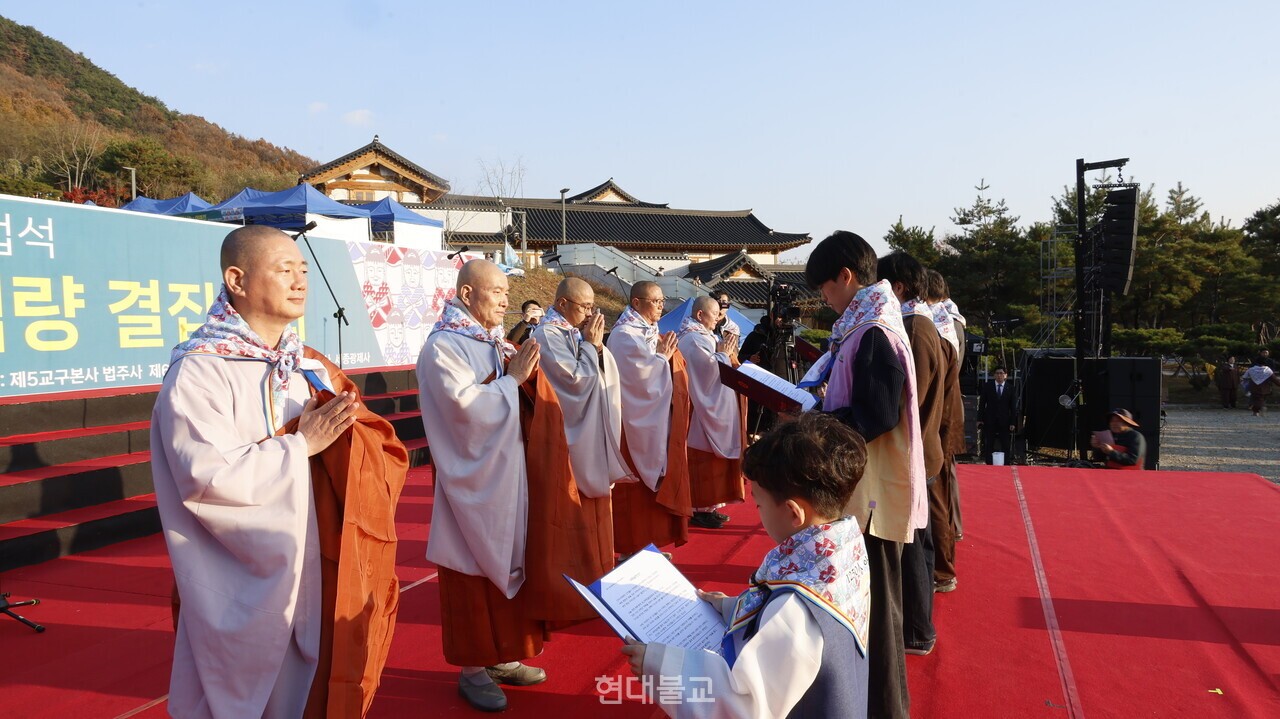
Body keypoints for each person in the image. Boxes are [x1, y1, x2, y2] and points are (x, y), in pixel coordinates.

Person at [151, 225, 409, 718]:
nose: (300, 281)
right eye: (284, 269)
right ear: (237, 279)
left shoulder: (307, 364)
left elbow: (374, 442)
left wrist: (355, 442)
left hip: (314, 556)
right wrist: (301, 447)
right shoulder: (201, 370)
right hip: (243, 575)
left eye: (304, 269)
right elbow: (206, 479)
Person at [621, 412, 871, 718]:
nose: (758, 512)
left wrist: (658, 663)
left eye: (759, 504)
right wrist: (733, 607)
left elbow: (745, 705)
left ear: (794, 513)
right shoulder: (845, 546)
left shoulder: (796, 610)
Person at [417, 259, 577, 712]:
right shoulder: (444, 346)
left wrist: (520, 382)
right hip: (471, 483)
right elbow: (464, 409)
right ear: (467, 296)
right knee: (472, 571)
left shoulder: (489, 341)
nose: (507, 301)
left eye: (508, 292)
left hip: (507, 475)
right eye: (496, 292)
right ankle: (472, 669)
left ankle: (502, 657)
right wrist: (512, 382)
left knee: (512, 562)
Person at [804, 230, 925, 719]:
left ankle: (885, 709)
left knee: (876, 609)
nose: (825, 301)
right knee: (871, 603)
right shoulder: (866, 322)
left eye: (826, 290)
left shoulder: (874, 326)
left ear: (846, 277)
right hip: (868, 485)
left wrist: (818, 424)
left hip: (872, 493)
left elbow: (876, 414)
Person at [532, 277, 630, 560]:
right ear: (562, 304)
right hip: (568, 431)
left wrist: (597, 348)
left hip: (589, 427)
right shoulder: (547, 335)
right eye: (584, 307)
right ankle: (580, 558)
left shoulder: (574, 332)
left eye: (591, 306)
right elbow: (575, 381)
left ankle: (601, 552)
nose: (590, 314)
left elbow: (601, 369)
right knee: (572, 498)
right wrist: (590, 346)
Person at [878, 251, 945, 657]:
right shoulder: (920, 323)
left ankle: (919, 630)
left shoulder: (915, 329)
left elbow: (908, 403)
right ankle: (921, 624)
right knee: (919, 543)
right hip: (924, 449)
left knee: (914, 544)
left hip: (916, 452)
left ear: (898, 288)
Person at [608, 281, 695, 556]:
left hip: (654, 418)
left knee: (650, 496)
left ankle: (650, 545)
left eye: (662, 300)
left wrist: (664, 358)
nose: (661, 306)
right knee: (633, 493)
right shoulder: (623, 335)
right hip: (633, 424)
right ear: (636, 303)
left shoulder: (648, 331)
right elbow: (639, 379)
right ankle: (630, 549)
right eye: (655, 301)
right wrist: (661, 359)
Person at [678, 296, 746, 530]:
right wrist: (723, 355)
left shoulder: (705, 336)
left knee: (713, 463)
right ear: (699, 315)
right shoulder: (692, 339)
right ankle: (699, 508)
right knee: (702, 462)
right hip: (701, 410)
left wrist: (727, 355)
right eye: (714, 313)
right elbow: (707, 372)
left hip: (715, 406)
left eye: (720, 313)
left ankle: (711, 507)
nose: (718, 318)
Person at [925, 269, 964, 591]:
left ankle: (942, 569)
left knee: (937, 494)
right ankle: (946, 556)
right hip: (943, 417)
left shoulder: (938, 326)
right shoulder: (948, 321)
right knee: (942, 493)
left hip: (936, 421)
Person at [978, 367, 1016, 464]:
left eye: (1001, 373)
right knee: (989, 442)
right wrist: (979, 419)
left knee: (1005, 443)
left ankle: (1006, 462)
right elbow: (982, 404)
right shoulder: (988, 386)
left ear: (1005, 375)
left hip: (1004, 420)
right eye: (997, 373)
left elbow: (1013, 407)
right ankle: (989, 462)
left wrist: (1012, 422)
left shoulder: (1010, 388)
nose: (999, 375)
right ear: (994, 375)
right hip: (990, 419)